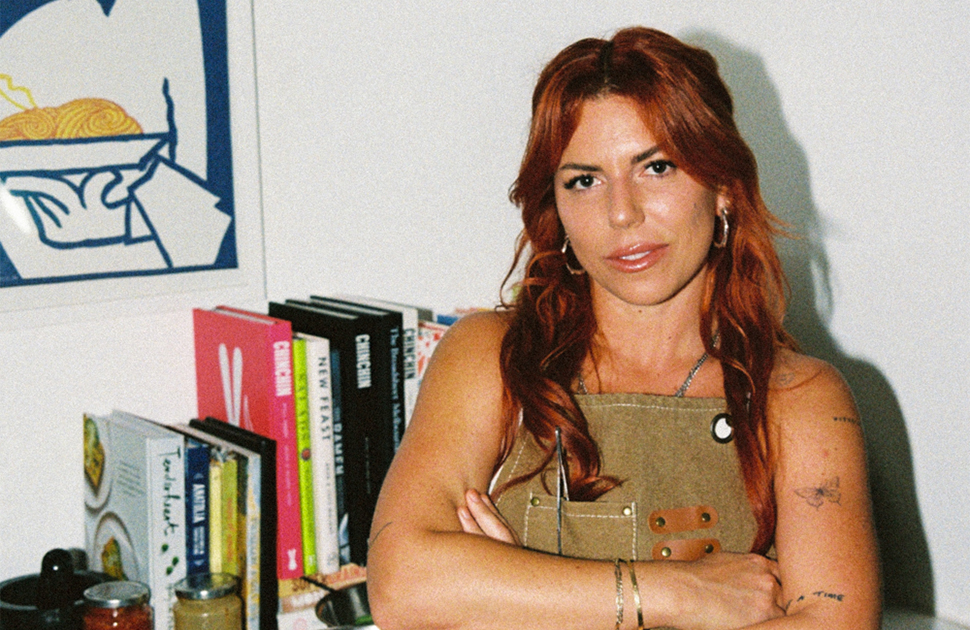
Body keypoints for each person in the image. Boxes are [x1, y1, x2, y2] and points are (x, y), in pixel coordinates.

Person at [367, 26, 880, 630]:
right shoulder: (488, 357)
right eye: (584, 180)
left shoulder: (800, 399)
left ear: (722, 186)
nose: (621, 213)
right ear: (555, 207)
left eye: (656, 167)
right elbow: (401, 587)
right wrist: (681, 594)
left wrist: (513, 603)